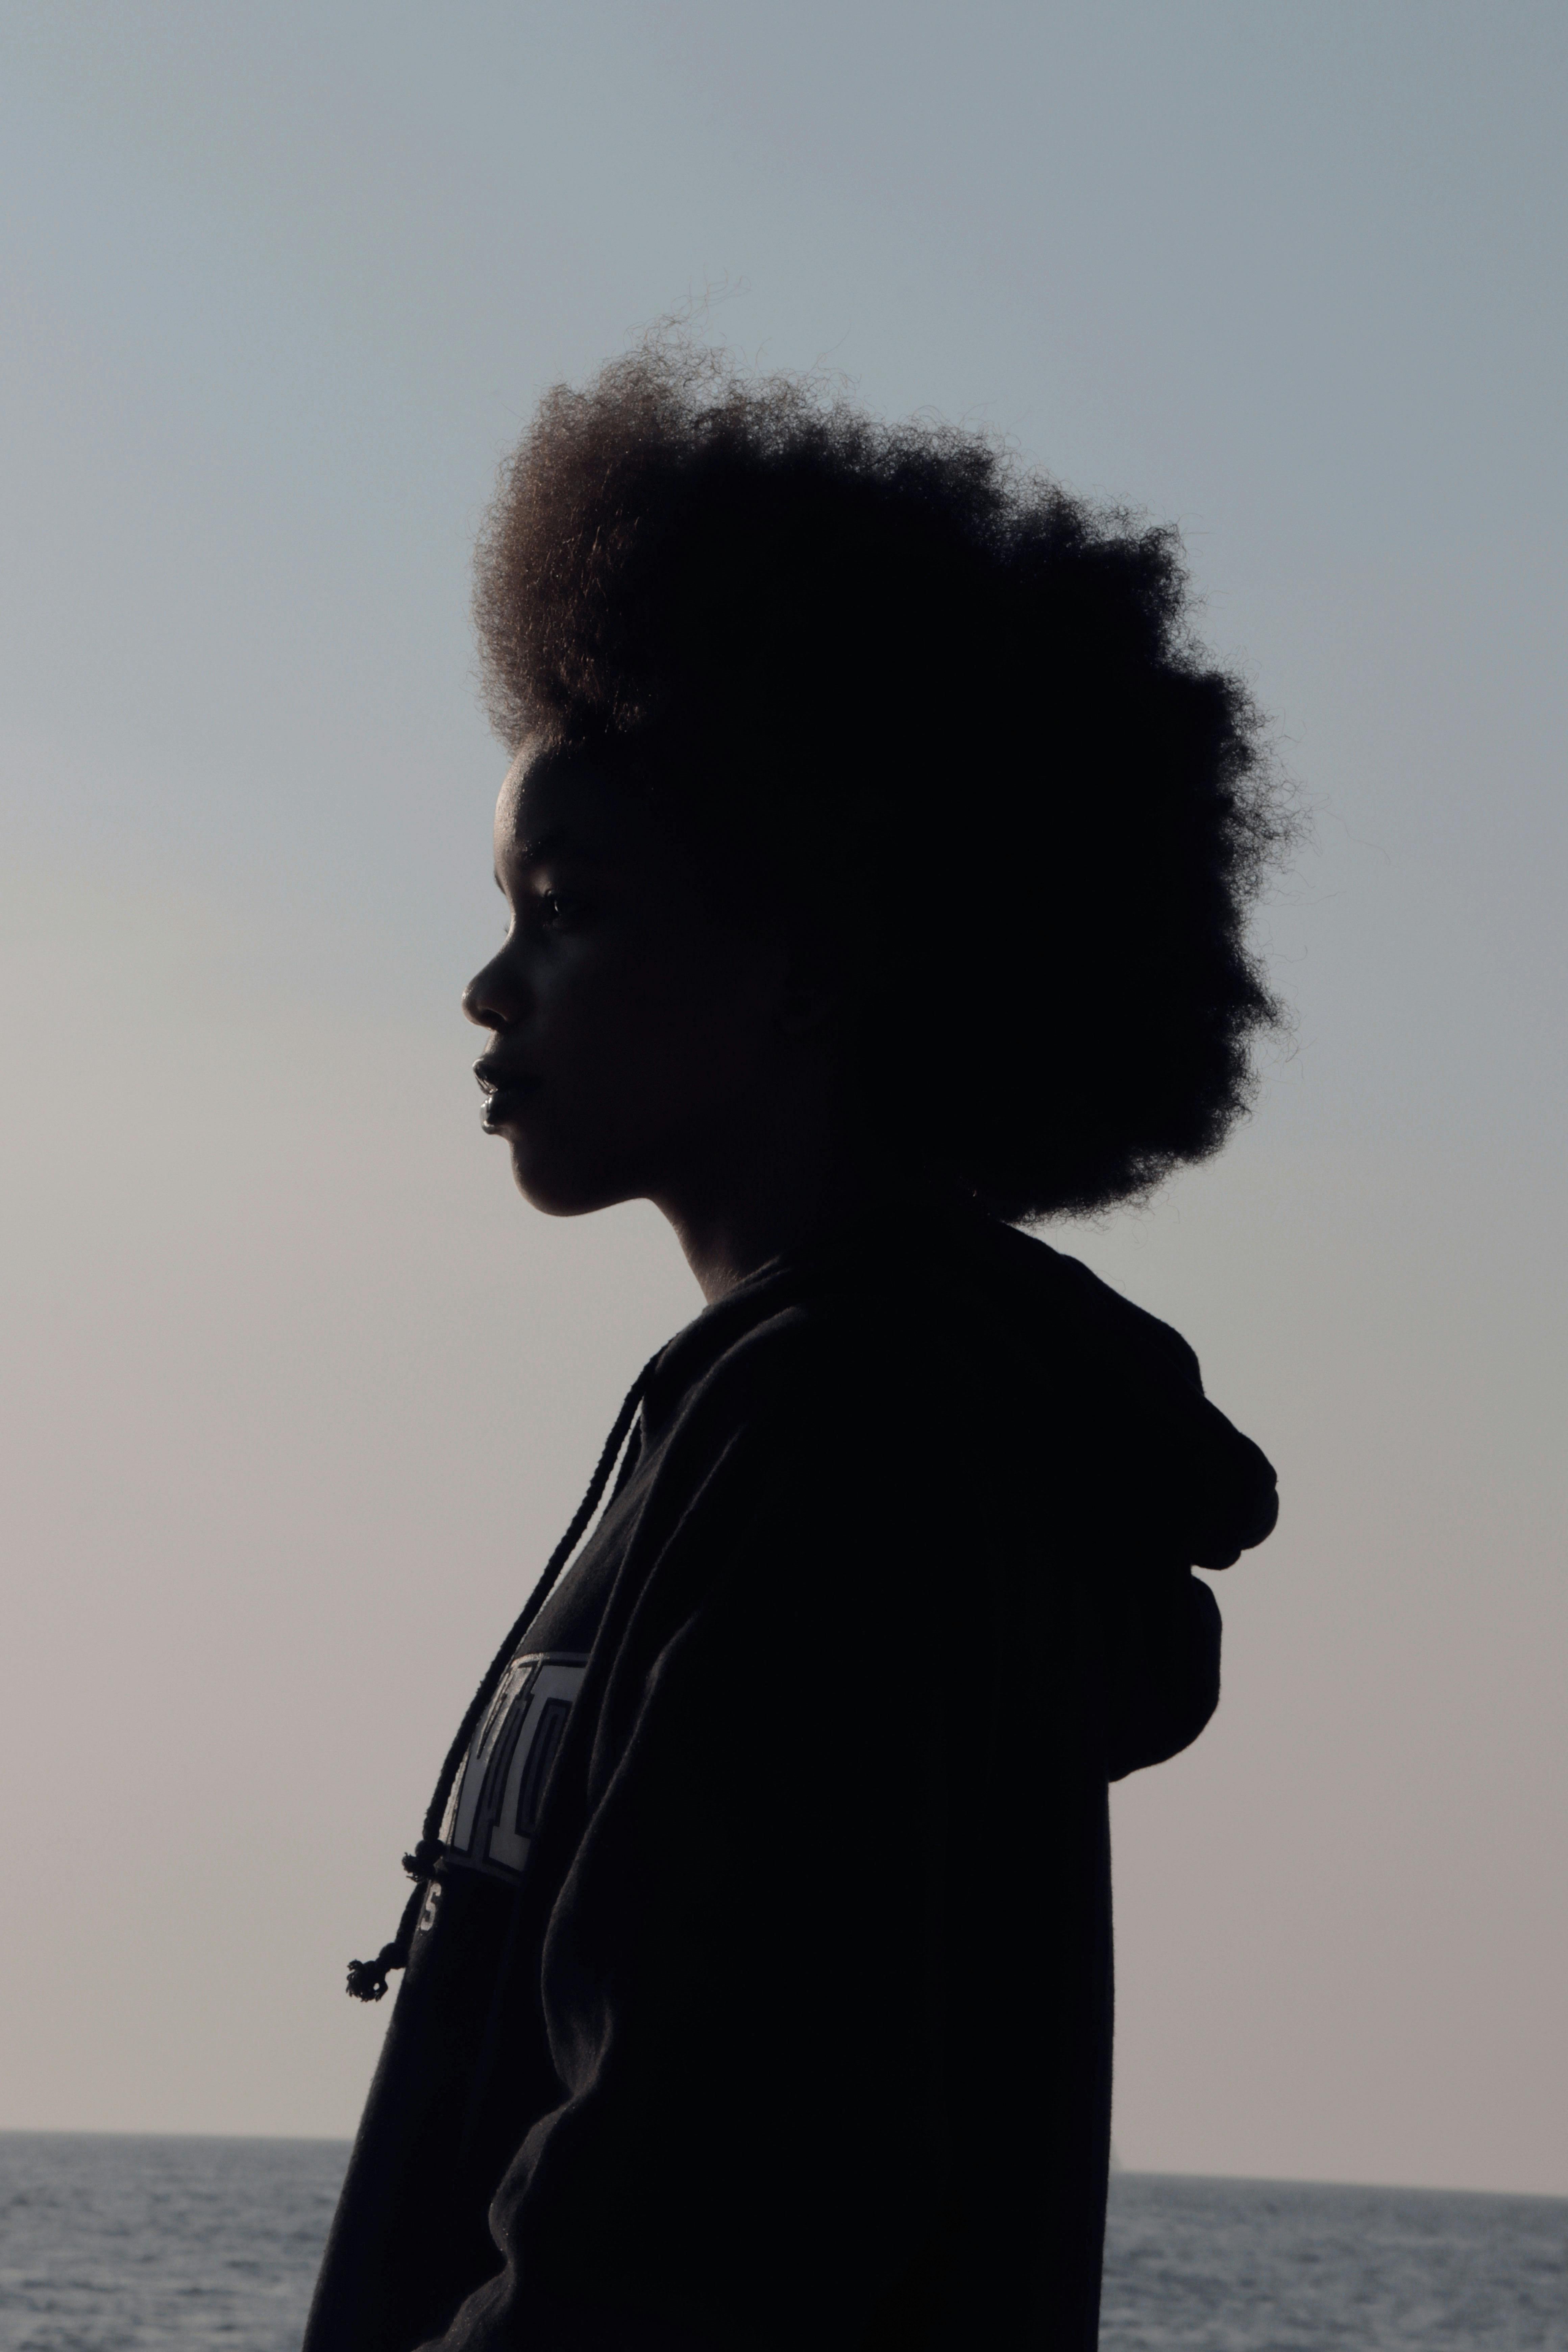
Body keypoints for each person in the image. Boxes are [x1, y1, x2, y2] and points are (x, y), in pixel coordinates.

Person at [304, 340, 1287, 2352]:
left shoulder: (850, 1442)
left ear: (805, 958)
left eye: (567, 907)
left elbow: (693, 2214)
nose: (493, 987)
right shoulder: (823, 1413)